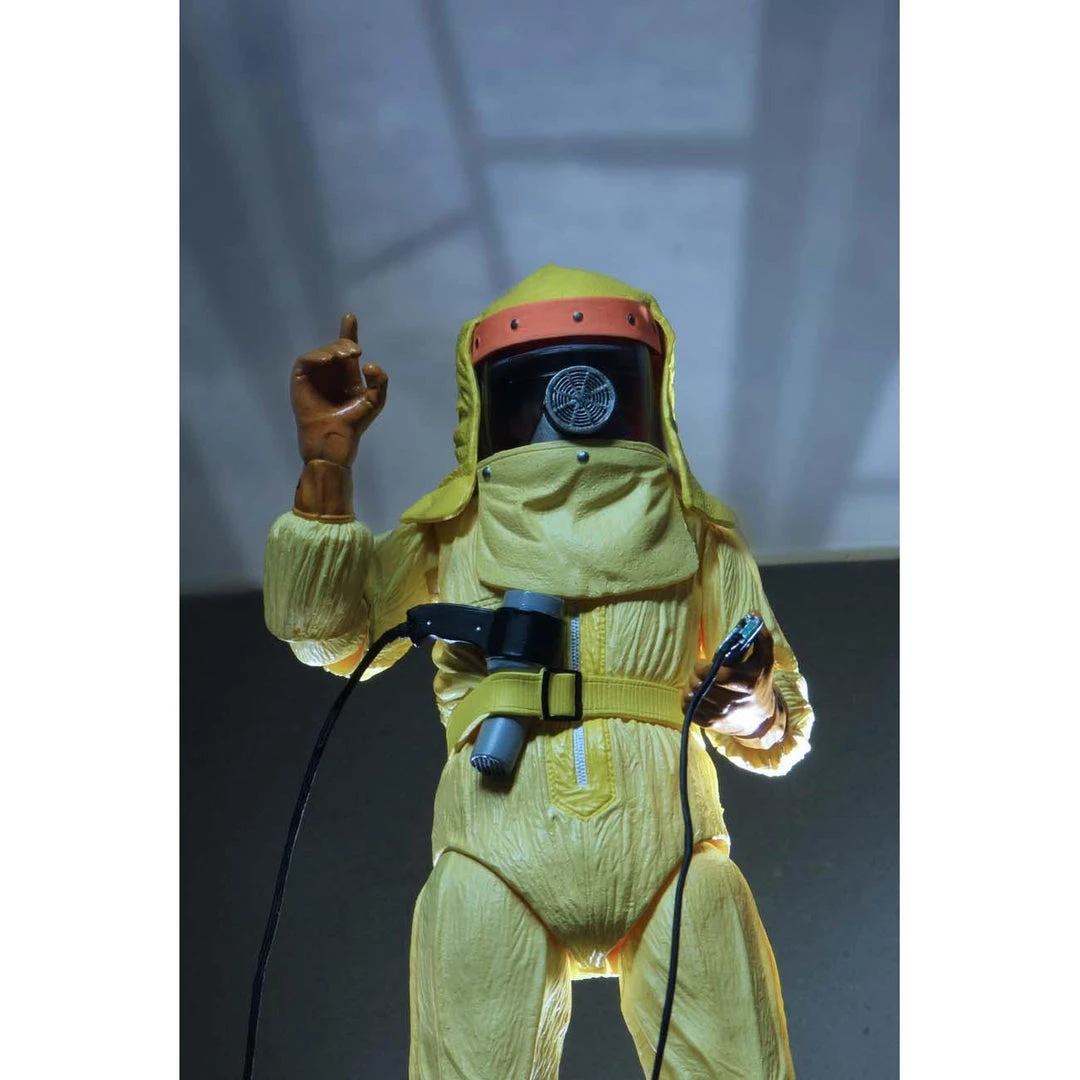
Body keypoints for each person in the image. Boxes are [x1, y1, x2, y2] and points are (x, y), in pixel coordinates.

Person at [264, 264, 815, 1079]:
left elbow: (780, 727)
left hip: (673, 855)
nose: (573, 405)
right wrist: (325, 469)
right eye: (539, 384)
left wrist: (752, 704)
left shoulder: (698, 537)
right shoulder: (452, 532)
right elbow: (329, 636)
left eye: (602, 376)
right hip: (494, 858)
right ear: (490, 399)